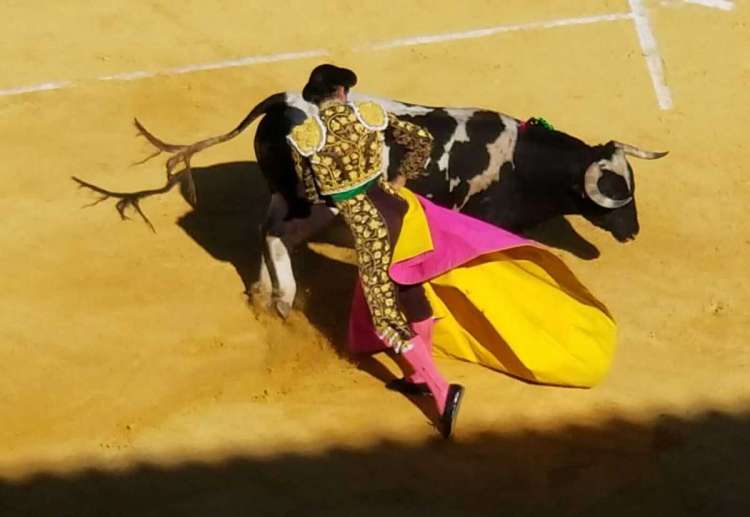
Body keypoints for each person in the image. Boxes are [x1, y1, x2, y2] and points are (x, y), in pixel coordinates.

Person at [288, 64, 618, 439]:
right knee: (409, 286)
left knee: (386, 319)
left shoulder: (305, 138)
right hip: (403, 210)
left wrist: (344, 192)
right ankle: (416, 377)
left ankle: (442, 392)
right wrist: (400, 177)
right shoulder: (370, 114)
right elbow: (421, 141)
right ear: (342, 92)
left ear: (317, 99)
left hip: (371, 228)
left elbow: (315, 194)